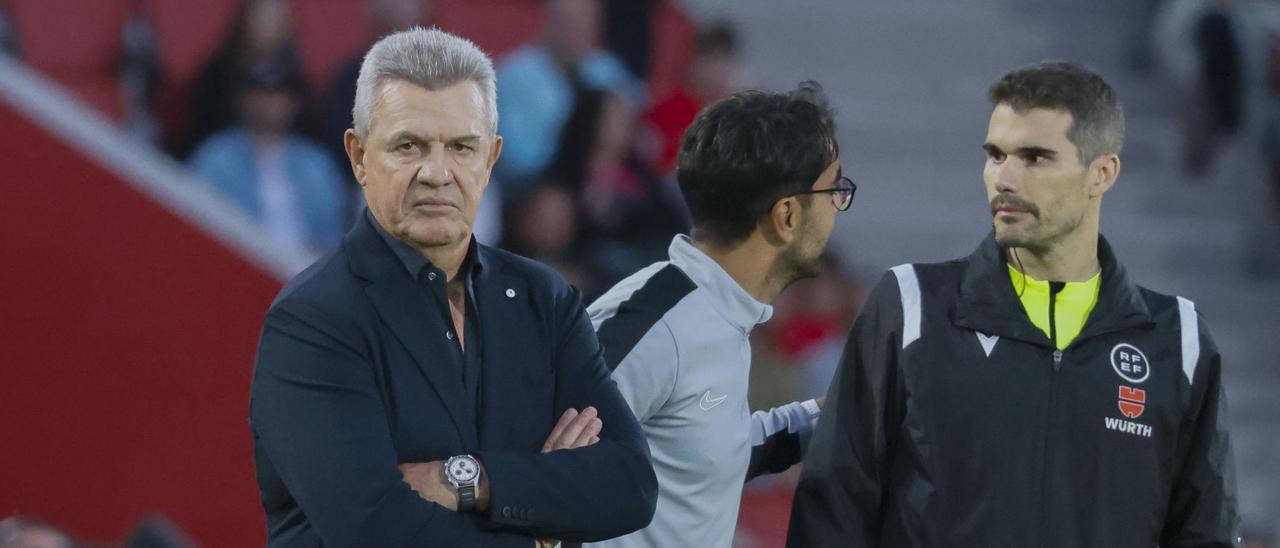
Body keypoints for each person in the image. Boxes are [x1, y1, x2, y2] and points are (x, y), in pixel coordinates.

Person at [786, 62, 1241, 547]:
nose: (1005, 178)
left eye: (1035, 158)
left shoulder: (1179, 339)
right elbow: (833, 513)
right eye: (996, 155)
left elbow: (1205, 533)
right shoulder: (912, 307)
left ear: (1101, 173)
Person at [248, 27, 657, 547]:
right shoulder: (312, 320)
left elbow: (629, 485)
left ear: (490, 159)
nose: (437, 173)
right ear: (357, 155)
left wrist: (464, 480)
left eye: (461, 147)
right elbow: (376, 529)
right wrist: (541, 529)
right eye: (408, 145)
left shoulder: (545, 300)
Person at [584, 82, 852, 547]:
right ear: (787, 215)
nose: (838, 208)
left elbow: (696, 452)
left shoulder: (717, 313)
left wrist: (829, 416)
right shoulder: (656, 323)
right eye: (834, 189)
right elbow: (536, 469)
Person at [492, 0, 644, 203]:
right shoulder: (513, 76)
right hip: (536, 192)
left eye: (587, 24)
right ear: (548, 23)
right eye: (569, 23)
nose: (578, 32)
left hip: (604, 186)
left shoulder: (608, 72)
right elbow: (516, 161)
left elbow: (640, 135)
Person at [191, 59, 346, 255]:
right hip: (236, 267)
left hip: (306, 274)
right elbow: (201, 224)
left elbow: (330, 236)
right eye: (261, 92)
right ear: (242, 100)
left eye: (279, 93)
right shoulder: (215, 158)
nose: (270, 101)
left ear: (293, 102)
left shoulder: (316, 163)